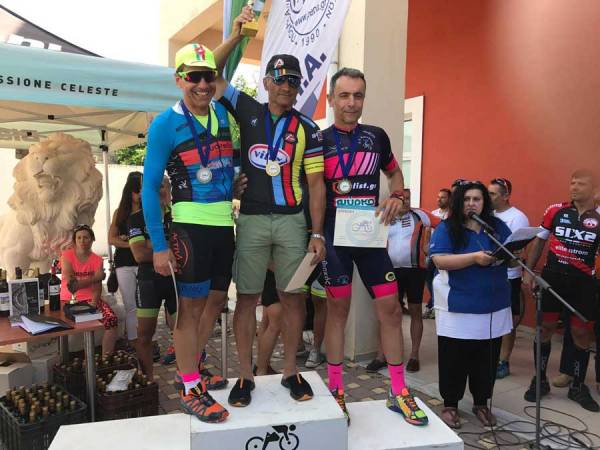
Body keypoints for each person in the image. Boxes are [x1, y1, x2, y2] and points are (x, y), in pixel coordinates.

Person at [212, 8, 327, 408]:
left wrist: (316, 233)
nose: (286, 86)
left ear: (298, 88)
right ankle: (245, 376)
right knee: (246, 299)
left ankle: (291, 371)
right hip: (253, 220)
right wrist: (237, 33)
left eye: (293, 81)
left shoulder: (309, 129)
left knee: (293, 299)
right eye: (279, 79)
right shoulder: (247, 109)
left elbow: (316, 185)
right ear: (266, 82)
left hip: (294, 223)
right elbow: (210, 72)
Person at [319, 67, 426, 426]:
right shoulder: (318, 140)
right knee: (338, 311)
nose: (352, 103)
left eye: (358, 95)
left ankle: (399, 391)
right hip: (334, 236)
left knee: (391, 310)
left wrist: (397, 195)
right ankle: (337, 390)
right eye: (344, 95)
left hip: (369, 235)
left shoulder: (376, 137)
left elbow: (394, 173)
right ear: (331, 99)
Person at [142, 42, 237, 423]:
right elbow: (150, 187)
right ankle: (189, 388)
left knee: (215, 303)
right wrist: (159, 245)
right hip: (190, 228)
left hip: (223, 226)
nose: (202, 84)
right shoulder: (165, 123)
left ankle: (193, 367)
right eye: (193, 76)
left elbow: (222, 167)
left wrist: (234, 184)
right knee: (190, 310)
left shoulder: (222, 114)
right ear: (179, 79)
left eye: (208, 76)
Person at [430, 181, 513, 429]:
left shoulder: (496, 227)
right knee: (454, 359)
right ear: (459, 203)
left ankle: (481, 403)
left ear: (484, 202)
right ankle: (450, 405)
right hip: (458, 305)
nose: (471, 204)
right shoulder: (447, 228)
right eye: (467, 199)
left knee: (486, 359)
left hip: (493, 304)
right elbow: (440, 260)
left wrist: (511, 257)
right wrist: (475, 258)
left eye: (477, 199)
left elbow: (510, 254)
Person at [523, 169, 600, 412]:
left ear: (594, 190)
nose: (574, 187)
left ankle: (577, 386)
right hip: (552, 280)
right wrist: (530, 271)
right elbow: (540, 241)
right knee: (544, 329)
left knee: (581, 333)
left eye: (581, 184)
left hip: (584, 284)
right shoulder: (555, 210)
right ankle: (540, 380)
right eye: (572, 182)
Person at [126, 177, 177, 379]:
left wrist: (152, 245)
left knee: (183, 331)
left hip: (176, 280)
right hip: (149, 281)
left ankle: (186, 379)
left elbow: (184, 251)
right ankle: (148, 381)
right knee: (144, 336)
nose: (159, 190)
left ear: (170, 190)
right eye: (154, 186)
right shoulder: (136, 218)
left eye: (162, 186)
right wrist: (168, 250)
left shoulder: (178, 215)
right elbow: (139, 254)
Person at [385, 188, 440, 373]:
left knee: (415, 311)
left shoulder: (420, 215)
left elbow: (444, 226)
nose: (406, 202)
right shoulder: (385, 216)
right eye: (402, 199)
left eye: (408, 198)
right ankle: (385, 355)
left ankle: (414, 355)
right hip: (390, 271)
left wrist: (433, 246)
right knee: (390, 313)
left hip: (415, 270)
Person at [488, 177, 529, 379]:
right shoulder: (488, 215)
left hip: (509, 276)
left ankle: (503, 361)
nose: (488, 197)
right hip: (489, 273)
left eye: (492, 194)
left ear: (506, 196)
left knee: (508, 320)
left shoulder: (517, 217)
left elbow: (517, 248)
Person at [60, 225, 119, 354]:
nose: (82, 241)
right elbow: (72, 286)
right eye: (79, 238)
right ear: (74, 240)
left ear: (92, 240)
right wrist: (96, 277)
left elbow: (97, 287)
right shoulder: (66, 256)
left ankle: (106, 358)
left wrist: (94, 302)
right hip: (68, 300)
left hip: (90, 299)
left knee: (112, 321)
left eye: (86, 237)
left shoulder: (97, 260)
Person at [108, 171, 142, 344]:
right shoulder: (120, 213)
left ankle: (149, 341)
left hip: (144, 263)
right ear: (129, 191)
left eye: (142, 189)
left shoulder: (149, 210)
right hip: (124, 264)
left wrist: (128, 241)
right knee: (130, 305)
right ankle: (133, 341)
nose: (140, 194)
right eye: (137, 190)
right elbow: (111, 239)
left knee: (147, 305)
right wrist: (133, 244)